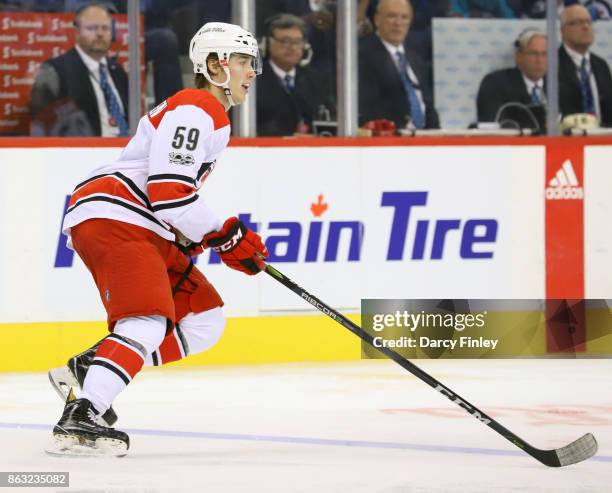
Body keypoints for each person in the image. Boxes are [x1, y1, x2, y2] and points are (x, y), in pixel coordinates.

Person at [47, 21, 269, 456]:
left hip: (140, 223)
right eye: (243, 61)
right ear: (214, 64)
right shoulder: (196, 105)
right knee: (146, 320)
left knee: (204, 318)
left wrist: (204, 239)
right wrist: (225, 235)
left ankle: (94, 366)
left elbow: (170, 197)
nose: (251, 71)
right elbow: (169, 192)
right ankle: (86, 411)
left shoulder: (211, 117)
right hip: (117, 216)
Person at [29, 2, 129, 137]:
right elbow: (42, 128)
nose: (100, 33)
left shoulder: (118, 71)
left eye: (105, 28)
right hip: (81, 153)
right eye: (92, 28)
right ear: (77, 33)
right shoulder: (56, 70)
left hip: (125, 149)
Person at [359, 0, 440, 130]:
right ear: (377, 20)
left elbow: (428, 106)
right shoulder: (362, 56)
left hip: (424, 139)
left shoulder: (416, 60)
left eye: (404, 17)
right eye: (392, 16)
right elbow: (369, 109)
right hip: (389, 140)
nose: (398, 23)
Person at [256, 13, 334, 136]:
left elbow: (328, 117)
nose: (292, 47)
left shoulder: (313, 79)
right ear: (268, 44)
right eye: (285, 41)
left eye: (297, 42)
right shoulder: (254, 80)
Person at [477, 28, 547, 129]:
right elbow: (492, 126)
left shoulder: (560, 87)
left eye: (544, 54)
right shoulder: (495, 84)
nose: (539, 60)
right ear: (518, 57)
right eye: (533, 54)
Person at [559, 4, 612, 126]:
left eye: (589, 22)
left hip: (602, 138)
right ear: (563, 30)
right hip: (568, 139)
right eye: (578, 22)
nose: (586, 27)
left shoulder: (601, 65)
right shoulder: (552, 64)